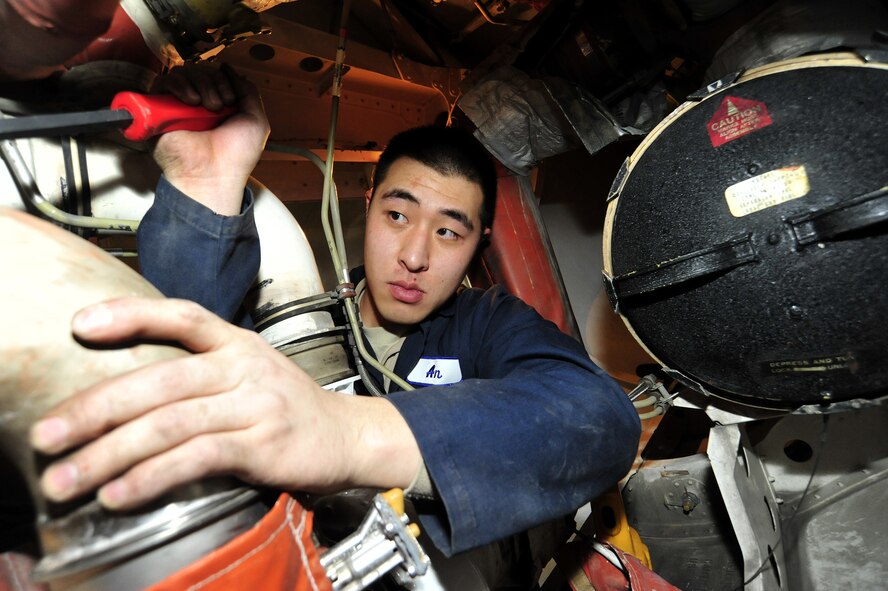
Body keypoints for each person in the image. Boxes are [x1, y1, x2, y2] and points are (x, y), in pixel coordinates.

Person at [29, 65, 641, 558]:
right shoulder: (294, 317)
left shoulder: (488, 323)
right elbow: (178, 355)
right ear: (369, 205)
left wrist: (346, 433)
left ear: (479, 245)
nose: (415, 257)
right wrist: (204, 184)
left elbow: (599, 419)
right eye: (397, 215)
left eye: (449, 232)